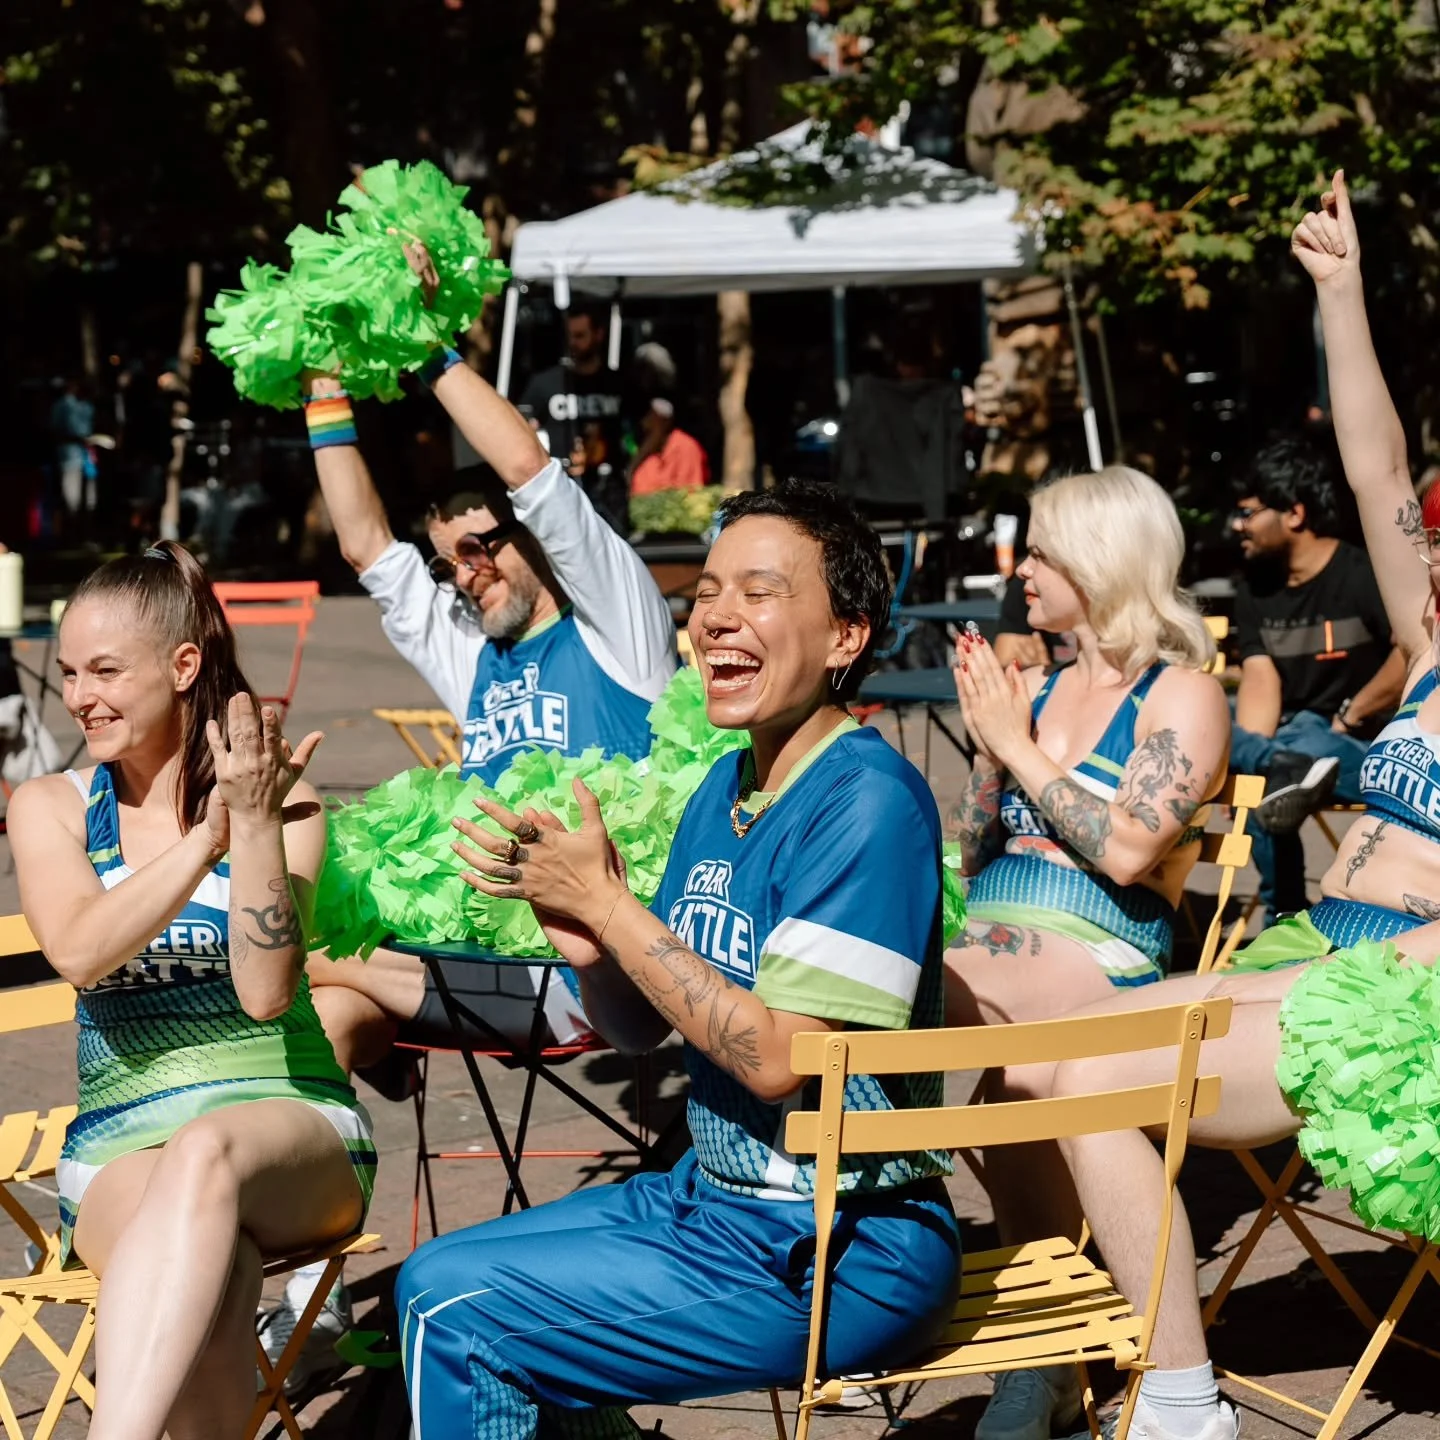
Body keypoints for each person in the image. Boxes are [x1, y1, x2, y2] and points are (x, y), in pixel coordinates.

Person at [988, 169, 1440, 1440]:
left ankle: (1178, 1403)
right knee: (1037, 1059)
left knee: (1090, 1075)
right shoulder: (1433, 639)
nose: (1433, 559)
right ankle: (1119, 1363)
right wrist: (1341, 296)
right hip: (1313, 953)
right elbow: (1377, 465)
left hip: (1402, 998)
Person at [396, 480, 961, 1439]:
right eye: (707, 592)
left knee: (462, 1313)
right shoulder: (723, 785)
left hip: (842, 1246)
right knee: (424, 1281)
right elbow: (637, 1026)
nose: (717, 619)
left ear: (846, 637)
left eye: (761, 592)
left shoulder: (867, 801)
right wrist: (584, 941)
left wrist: (612, 907)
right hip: (716, 1200)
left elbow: (780, 1059)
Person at [271, 246, 677, 1373]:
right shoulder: (476, 661)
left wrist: (429, 338)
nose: (464, 575)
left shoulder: (618, 633)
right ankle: (305, 1305)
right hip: (466, 964)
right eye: (451, 559)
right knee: (307, 1008)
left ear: (533, 543)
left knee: (314, 983)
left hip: (590, 977)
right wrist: (324, 381)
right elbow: (364, 545)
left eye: (484, 547)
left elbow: (533, 470)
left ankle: (289, 1298)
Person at [6, 542, 375, 1440]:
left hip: (290, 1123)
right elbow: (81, 953)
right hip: (120, 1142)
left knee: (206, 1153)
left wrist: (247, 829)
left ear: (182, 667)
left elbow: (262, 991)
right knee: (217, 1276)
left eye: (105, 670)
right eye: (68, 672)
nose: (80, 696)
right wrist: (202, 843)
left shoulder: (282, 801)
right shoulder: (50, 805)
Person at [1229, 434, 1404, 918]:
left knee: (1304, 739)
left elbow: (1412, 651)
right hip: (1296, 741)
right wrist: (1250, 754)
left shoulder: (1362, 573)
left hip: (1366, 743)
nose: (1237, 526)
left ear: (1294, 514)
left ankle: (1282, 912)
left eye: (1248, 513)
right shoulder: (1255, 589)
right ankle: (1280, 765)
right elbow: (1260, 678)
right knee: (1207, 715)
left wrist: (1351, 714)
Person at [518, 301, 628, 532]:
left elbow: (654, 422)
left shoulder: (617, 383)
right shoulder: (545, 383)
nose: (573, 343)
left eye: (580, 335)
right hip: (562, 489)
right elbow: (520, 427)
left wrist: (635, 464)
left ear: (598, 335)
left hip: (610, 491)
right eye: (570, 336)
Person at [628, 397, 711, 495]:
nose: (645, 425)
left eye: (651, 420)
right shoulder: (649, 458)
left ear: (665, 423)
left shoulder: (686, 448)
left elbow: (691, 493)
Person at [50, 376, 97, 532]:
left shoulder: (86, 405)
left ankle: (86, 531)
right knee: (72, 498)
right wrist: (76, 438)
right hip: (69, 457)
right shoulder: (62, 406)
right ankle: (72, 532)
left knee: (89, 497)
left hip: (86, 457)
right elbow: (55, 432)